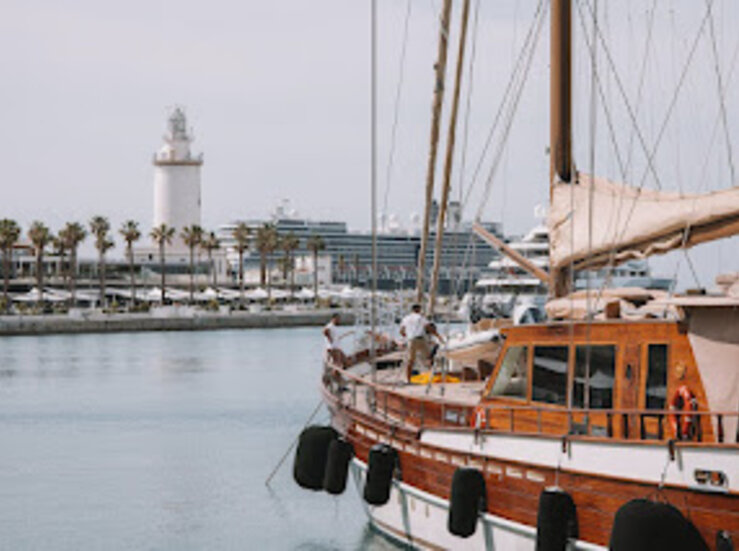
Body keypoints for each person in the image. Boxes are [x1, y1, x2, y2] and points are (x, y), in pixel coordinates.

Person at [399, 304, 439, 383]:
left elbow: (401, 331)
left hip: (411, 340)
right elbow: (429, 328)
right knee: (429, 357)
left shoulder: (406, 319)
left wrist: (406, 335)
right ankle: (432, 376)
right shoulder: (421, 318)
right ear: (419, 310)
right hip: (420, 339)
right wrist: (438, 336)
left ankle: (408, 379)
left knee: (410, 361)